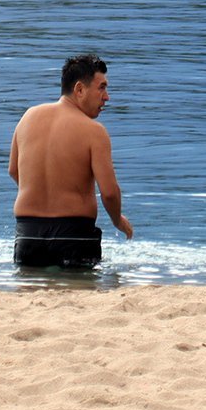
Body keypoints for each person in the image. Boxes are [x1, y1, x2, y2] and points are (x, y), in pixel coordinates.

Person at [9, 53, 134, 268]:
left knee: (31, 292)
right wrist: (118, 221)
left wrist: (42, 194)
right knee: (82, 291)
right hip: (74, 236)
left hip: (28, 236)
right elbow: (110, 192)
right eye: (102, 87)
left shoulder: (28, 117)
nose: (107, 97)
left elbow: (13, 170)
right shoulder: (94, 131)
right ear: (79, 89)